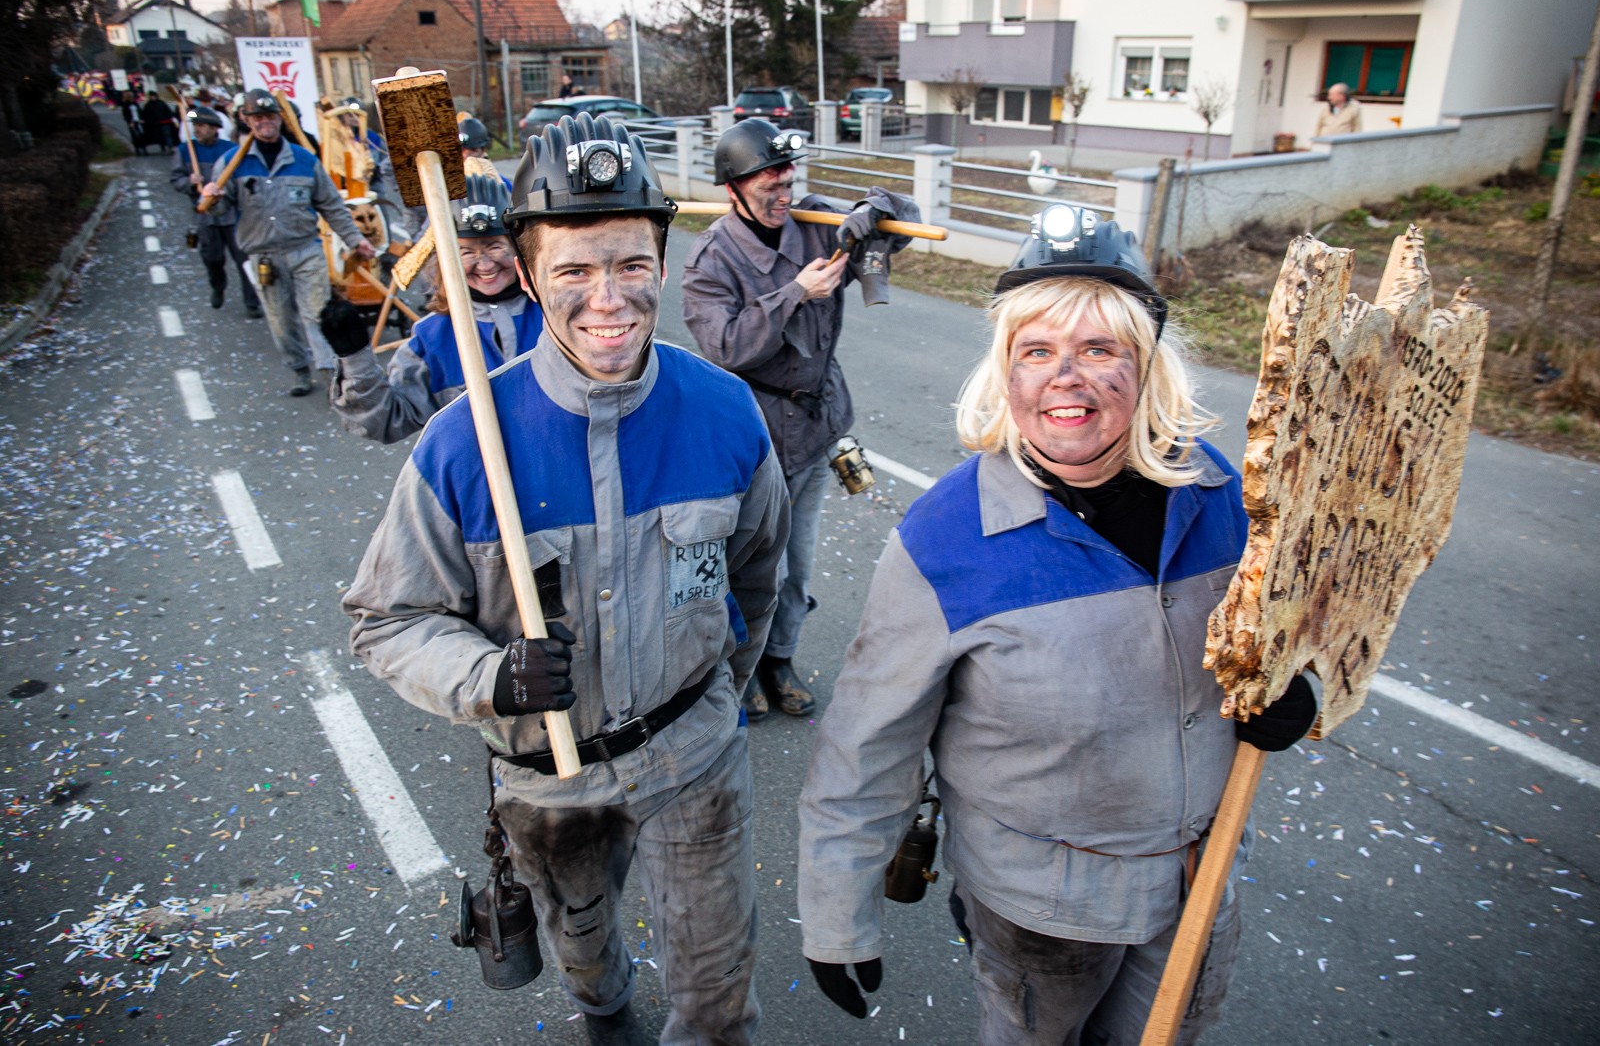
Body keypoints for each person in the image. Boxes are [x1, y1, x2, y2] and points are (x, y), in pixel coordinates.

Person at [795, 204, 1319, 1044]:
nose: (1063, 377)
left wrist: (1296, 689)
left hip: (1197, 880)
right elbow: (868, 744)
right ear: (1005, 372)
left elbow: (1290, 632)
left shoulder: (1225, 494)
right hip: (1038, 912)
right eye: (1036, 350)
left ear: (1146, 366)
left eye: (1099, 349)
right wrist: (836, 917)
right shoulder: (946, 538)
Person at [343, 113, 787, 1046]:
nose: (608, 299)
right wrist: (486, 679)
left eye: (630, 264)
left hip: (694, 758)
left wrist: (712, 703)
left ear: (663, 262)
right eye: (574, 271)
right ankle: (606, 1011)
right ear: (533, 271)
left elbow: (755, 580)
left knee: (717, 995)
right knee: (588, 964)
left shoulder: (726, 413)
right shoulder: (466, 442)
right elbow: (386, 620)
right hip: (550, 781)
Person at [681, 118, 920, 721]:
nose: (784, 188)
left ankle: (779, 659)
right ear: (734, 187)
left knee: (800, 563)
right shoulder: (710, 259)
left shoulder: (814, 224)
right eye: (769, 179)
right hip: (755, 440)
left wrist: (875, 208)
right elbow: (726, 346)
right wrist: (795, 295)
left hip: (817, 427)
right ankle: (743, 664)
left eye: (788, 175)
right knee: (756, 564)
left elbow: (901, 225)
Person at [324, 174, 542, 443]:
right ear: (447, 258)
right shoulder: (433, 337)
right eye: (467, 252)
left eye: (494, 246)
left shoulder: (555, 316)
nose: (485, 264)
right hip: (476, 481)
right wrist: (356, 360)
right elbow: (389, 419)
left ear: (520, 249)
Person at [200, 89, 375, 396]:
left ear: (280, 119)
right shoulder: (232, 163)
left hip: (305, 250)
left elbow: (331, 205)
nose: (265, 122)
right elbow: (222, 208)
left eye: (270, 116)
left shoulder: (304, 160)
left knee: (316, 315)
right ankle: (298, 369)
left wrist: (355, 239)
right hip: (264, 256)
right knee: (281, 320)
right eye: (258, 117)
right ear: (247, 120)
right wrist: (211, 199)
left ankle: (330, 374)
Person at [170, 105, 262, 318]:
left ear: (214, 128)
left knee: (244, 258)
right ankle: (218, 286)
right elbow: (175, 179)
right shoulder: (186, 150)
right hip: (204, 216)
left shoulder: (230, 150)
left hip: (232, 214)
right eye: (195, 126)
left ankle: (251, 302)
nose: (197, 130)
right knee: (213, 257)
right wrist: (190, 182)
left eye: (202, 126)